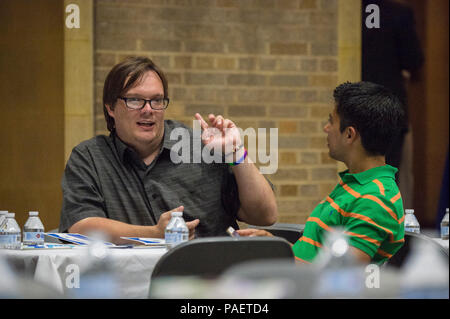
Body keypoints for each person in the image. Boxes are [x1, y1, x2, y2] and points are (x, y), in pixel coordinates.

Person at [59, 56, 277, 244]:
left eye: (157, 100)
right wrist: (154, 234)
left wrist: (236, 152)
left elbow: (265, 215)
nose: (148, 110)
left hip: (212, 280)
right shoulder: (90, 157)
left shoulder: (200, 146)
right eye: (135, 100)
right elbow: (81, 225)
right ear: (110, 107)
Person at [238, 82, 406, 265]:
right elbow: (317, 256)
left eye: (331, 121)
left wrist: (276, 259)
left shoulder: (375, 199)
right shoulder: (356, 184)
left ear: (349, 135)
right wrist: (276, 246)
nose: (326, 128)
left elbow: (339, 276)